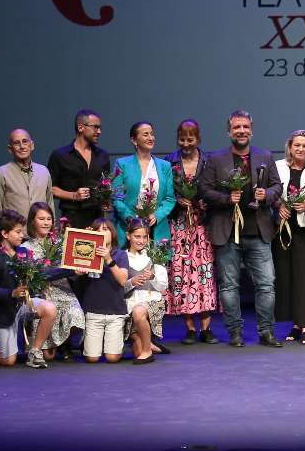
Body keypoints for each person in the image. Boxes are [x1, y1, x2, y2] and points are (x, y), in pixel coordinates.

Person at [199, 109, 283, 348]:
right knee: (229, 286)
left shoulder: (265, 156)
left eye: (245, 127)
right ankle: (234, 332)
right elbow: (204, 190)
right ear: (229, 131)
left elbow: (277, 186)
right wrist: (227, 198)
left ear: (252, 130)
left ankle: (266, 332)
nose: (241, 131)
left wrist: (266, 194)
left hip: (259, 230)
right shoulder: (215, 159)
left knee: (266, 284)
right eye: (237, 127)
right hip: (227, 231)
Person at [0, 210, 60, 368]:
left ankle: (35, 351)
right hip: (3, 311)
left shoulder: (23, 253)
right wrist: (11, 293)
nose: (22, 235)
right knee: (8, 361)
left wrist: (70, 270)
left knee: (50, 308)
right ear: (4, 234)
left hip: (23, 305)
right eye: (18, 232)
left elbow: (41, 273)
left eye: (22, 231)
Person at [163, 119, 217, 344]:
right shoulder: (169, 162)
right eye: (182, 139)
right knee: (181, 273)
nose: (186, 143)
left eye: (190, 139)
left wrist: (205, 203)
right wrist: (178, 201)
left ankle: (206, 327)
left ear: (198, 139)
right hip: (179, 225)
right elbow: (164, 193)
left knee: (204, 272)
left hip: (202, 224)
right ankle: (190, 328)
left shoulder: (208, 161)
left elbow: (216, 189)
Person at [19, 202, 84, 360]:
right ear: (32, 221)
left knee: (77, 313)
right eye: (41, 218)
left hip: (63, 290)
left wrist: (78, 271)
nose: (46, 222)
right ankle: (51, 345)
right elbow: (39, 275)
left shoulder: (59, 243)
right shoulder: (25, 247)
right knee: (48, 356)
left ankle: (64, 342)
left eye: (49, 219)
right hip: (40, 293)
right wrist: (68, 270)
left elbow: (72, 270)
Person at [274, 130, 305, 343]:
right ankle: (295, 324)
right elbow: (270, 191)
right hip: (283, 227)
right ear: (290, 147)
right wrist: (278, 205)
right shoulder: (278, 166)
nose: (300, 149)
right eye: (297, 145)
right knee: (288, 276)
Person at [110, 121, 176, 247]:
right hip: (128, 229)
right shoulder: (122, 164)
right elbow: (116, 197)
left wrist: (157, 215)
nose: (151, 138)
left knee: (156, 266)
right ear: (134, 140)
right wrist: (130, 218)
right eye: (146, 134)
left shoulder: (165, 166)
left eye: (152, 134)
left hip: (156, 231)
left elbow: (169, 198)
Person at [76, 217, 131, 363]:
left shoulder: (120, 254)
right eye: (97, 229)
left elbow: (123, 280)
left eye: (105, 229)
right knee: (92, 358)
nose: (101, 232)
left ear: (112, 234)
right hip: (93, 311)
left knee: (112, 358)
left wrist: (108, 259)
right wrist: (84, 239)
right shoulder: (86, 252)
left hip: (115, 312)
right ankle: (89, 341)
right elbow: (74, 274)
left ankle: (115, 341)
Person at [48, 109, 112, 231]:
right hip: (71, 219)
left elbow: (106, 186)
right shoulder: (60, 155)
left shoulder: (103, 155)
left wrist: (106, 201)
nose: (99, 131)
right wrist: (73, 195)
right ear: (81, 127)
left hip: (96, 220)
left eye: (100, 128)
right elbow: (51, 189)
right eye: (95, 127)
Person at [123, 218, 170, 364]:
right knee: (137, 352)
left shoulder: (153, 256)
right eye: (137, 236)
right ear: (128, 236)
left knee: (138, 311)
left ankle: (147, 351)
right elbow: (117, 287)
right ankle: (147, 342)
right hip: (129, 303)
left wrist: (153, 276)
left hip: (151, 301)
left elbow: (163, 286)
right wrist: (131, 282)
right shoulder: (122, 257)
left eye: (144, 237)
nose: (141, 240)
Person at [0, 129, 55, 223]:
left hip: (40, 235)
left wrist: (52, 231)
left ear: (32, 145)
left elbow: (50, 205)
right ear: (10, 149)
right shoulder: (1, 173)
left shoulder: (44, 171)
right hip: (14, 234)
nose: (22, 146)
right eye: (17, 143)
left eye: (25, 142)